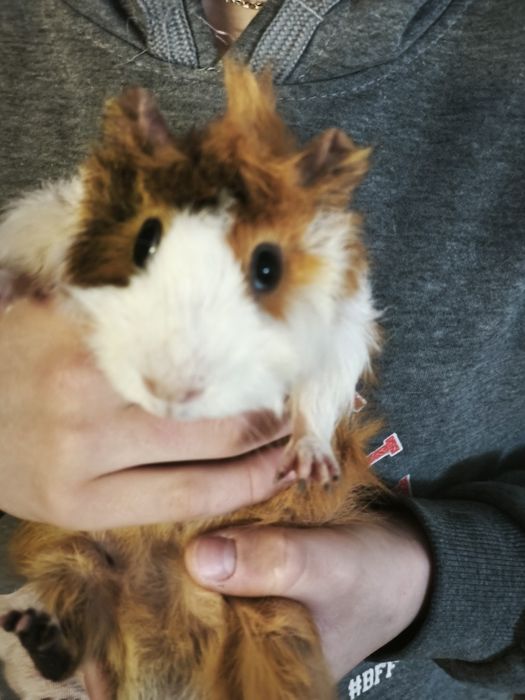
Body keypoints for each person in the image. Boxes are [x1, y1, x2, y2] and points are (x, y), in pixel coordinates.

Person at [0, 1, 523, 698]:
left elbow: (343, 342)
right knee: (75, 584)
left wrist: (430, 581)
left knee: (265, 647)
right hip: (95, 566)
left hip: (294, 580)